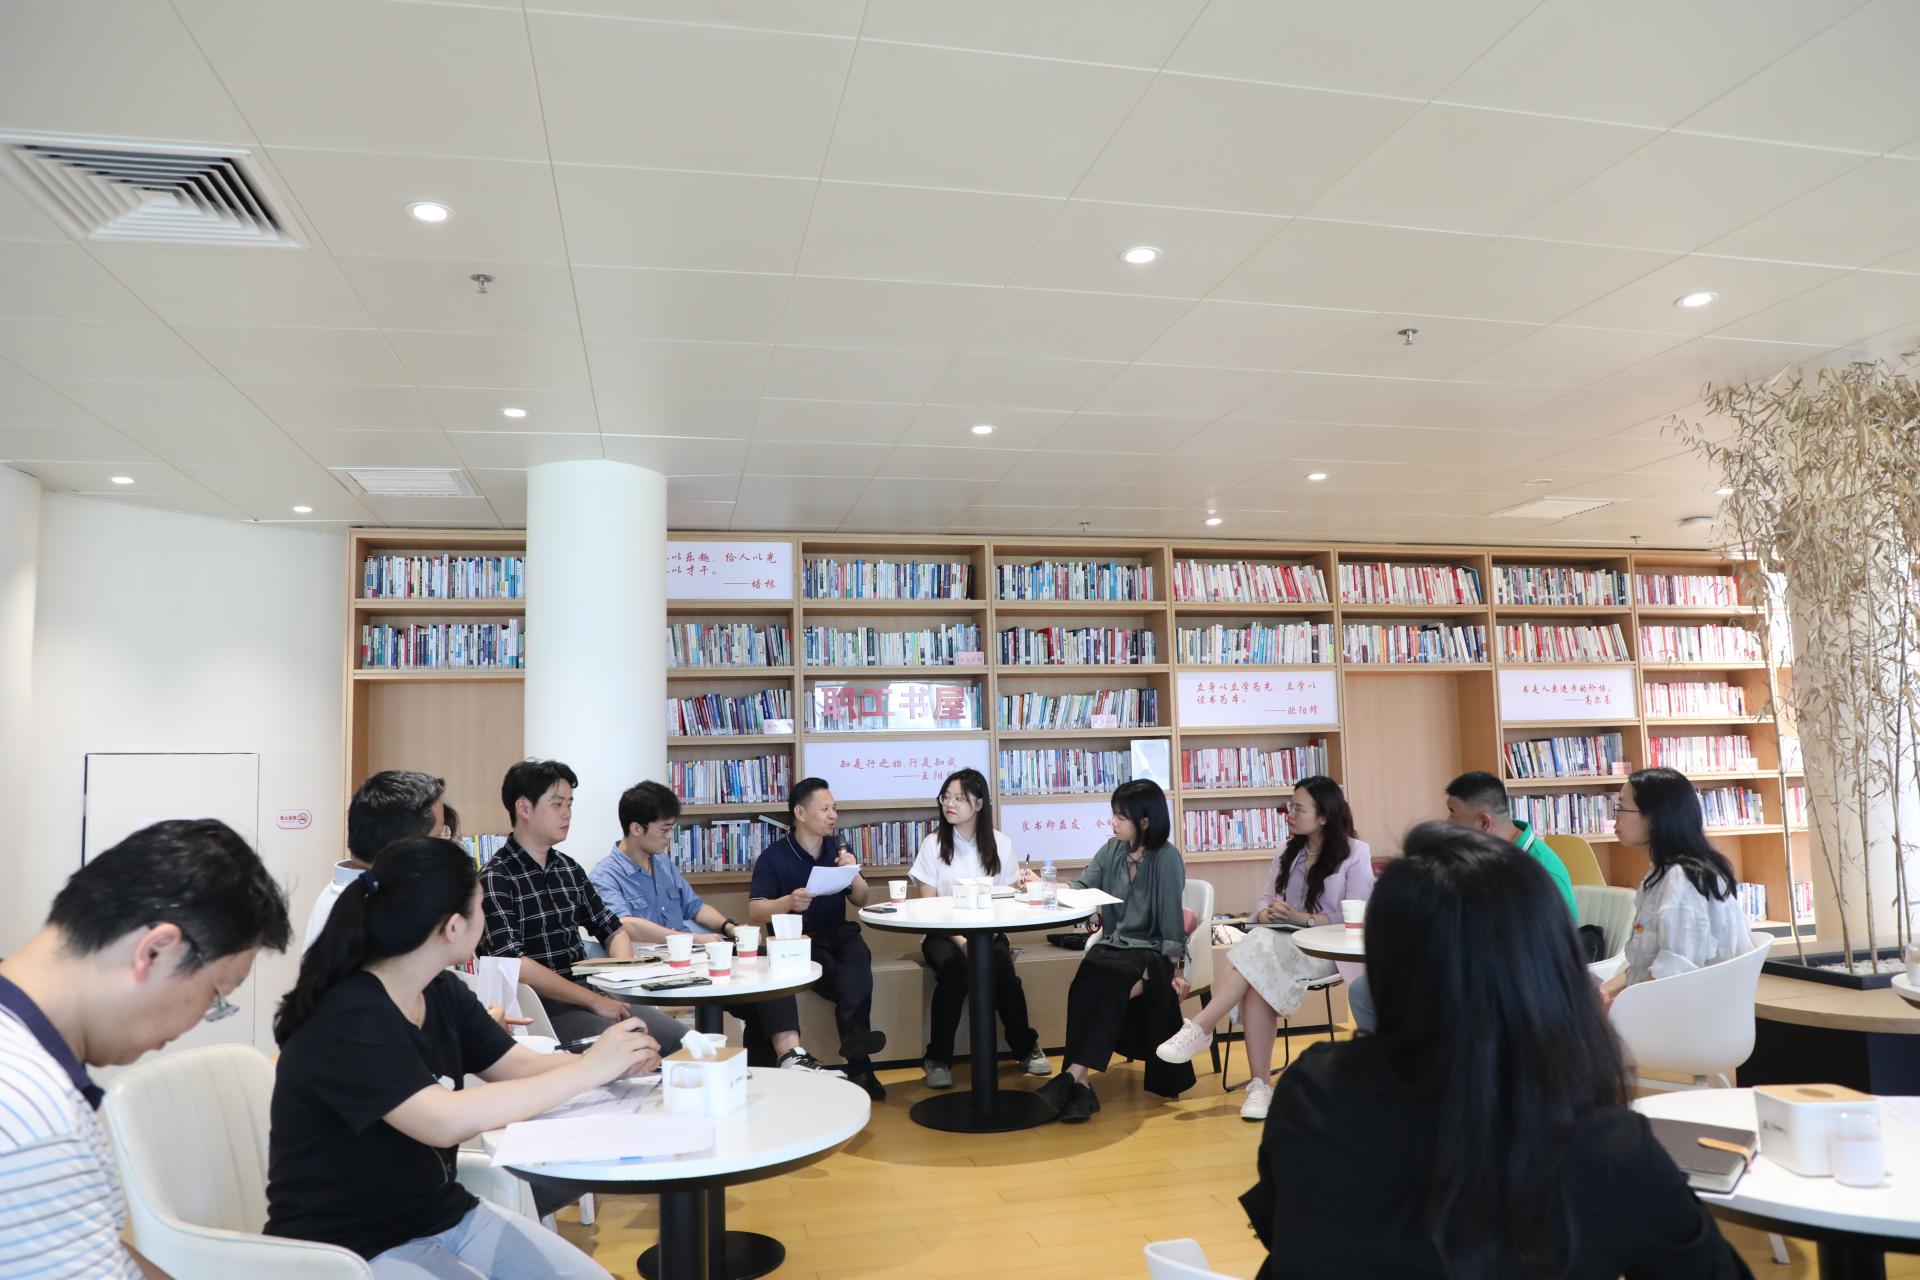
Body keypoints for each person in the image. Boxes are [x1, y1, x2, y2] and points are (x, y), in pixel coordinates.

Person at [1242, 822, 1753, 1279]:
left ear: (1390, 962)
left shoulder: (1314, 1089)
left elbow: (1286, 1234)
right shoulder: (1604, 1149)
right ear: (1547, 964)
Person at [268, 837, 655, 1278]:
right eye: (481, 907)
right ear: (453, 927)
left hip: (441, 1214)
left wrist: (613, 1062)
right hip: (346, 1248)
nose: (486, 919)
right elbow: (443, 1119)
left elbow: (519, 1066)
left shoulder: (440, 990)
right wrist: (587, 1070)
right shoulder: (349, 1014)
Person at [0, 819, 292, 1280]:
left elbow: (84, 1246)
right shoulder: (35, 1120)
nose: (196, 1020)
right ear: (155, 951)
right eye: (217, 994)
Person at [1154, 776, 1372, 1121]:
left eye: (1298, 808)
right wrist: (1266, 914)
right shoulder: (1287, 850)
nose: (1290, 813)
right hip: (1278, 942)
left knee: (1256, 956)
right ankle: (1259, 1085)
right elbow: (1263, 902)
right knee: (1258, 966)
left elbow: (1357, 915)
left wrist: (1302, 918)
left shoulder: (1356, 853)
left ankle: (1203, 1029)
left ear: (1323, 816)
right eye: (1290, 806)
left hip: (1326, 952)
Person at [589, 780, 839, 1074]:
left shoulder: (662, 862)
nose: (669, 837)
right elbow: (624, 924)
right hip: (658, 967)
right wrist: (692, 939)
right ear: (636, 828)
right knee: (757, 994)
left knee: (765, 970)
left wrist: (729, 927)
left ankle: (788, 1056)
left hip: (696, 956)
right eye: (665, 829)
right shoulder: (605, 875)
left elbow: (695, 907)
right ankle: (783, 1061)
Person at [477, 759, 684, 1053]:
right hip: (538, 1009)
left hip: (591, 994)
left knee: (681, 1040)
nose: (567, 814)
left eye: (570, 804)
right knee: (634, 1049)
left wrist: (617, 979)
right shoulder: (496, 877)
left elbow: (613, 929)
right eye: (557, 804)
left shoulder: (568, 868)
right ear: (523, 808)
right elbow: (513, 963)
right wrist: (594, 1001)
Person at [1020, 779, 1191, 1123]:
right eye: (1113, 814)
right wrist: (1043, 882)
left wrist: (1176, 970)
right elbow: (1081, 886)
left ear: (1145, 821)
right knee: (1083, 985)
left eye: (1120, 817)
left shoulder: (1167, 858)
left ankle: (1070, 1077)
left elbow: (1172, 921)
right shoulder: (1112, 850)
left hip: (1151, 954)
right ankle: (1080, 1085)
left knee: (1111, 986)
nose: (1112, 822)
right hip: (1113, 946)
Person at [907, 768, 1049, 1088]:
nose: (950, 804)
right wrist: (961, 940)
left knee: (1001, 967)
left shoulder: (1001, 843)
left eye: (960, 798)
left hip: (989, 931)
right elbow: (928, 906)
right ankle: (937, 1058)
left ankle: (1026, 1047)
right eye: (946, 797)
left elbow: (1009, 899)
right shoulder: (933, 844)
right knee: (956, 969)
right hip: (941, 933)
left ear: (979, 804)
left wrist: (983, 936)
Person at [748, 778, 887, 1100]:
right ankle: (861, 1066)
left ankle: (856, 1051)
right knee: (838, 976)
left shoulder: (838, 850)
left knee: (859, 957)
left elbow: (861, 899)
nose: (832, 815)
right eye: (824, 809)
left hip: (838, 930)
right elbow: (755, 910)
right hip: (799, 939)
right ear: (800, 813)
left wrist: (854, 872)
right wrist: (787, 902)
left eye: (834, 808)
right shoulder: (774, 856)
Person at [1599, 767, 1754, 1007]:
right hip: (1669, 1007)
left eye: (1621, 807)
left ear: (1654, 817)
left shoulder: (1685, 881)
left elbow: (1673, 974)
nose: (1615, 818)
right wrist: (1604, 991)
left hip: (1690, 1015)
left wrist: (1612, 1006)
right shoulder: (1662, 872)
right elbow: (1644, 967)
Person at [306, 769, 447, 950]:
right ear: (404, 846)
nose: (444, 849)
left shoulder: (349, 893)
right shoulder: (375, 913)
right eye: (438, 838)